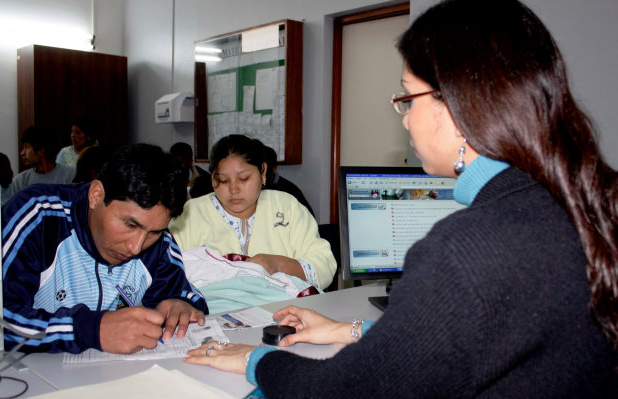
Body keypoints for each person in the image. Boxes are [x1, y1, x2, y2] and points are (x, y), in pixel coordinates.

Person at [183, 0, 618, 396]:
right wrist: (349, 331)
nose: (405, 119)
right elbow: (464, 346)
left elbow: (344, 391)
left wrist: (254, 360)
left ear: (459, 105)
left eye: (408, 98)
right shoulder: (582, 202)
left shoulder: (466, 250)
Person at [2, 143, 208, 354]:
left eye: (154, 232)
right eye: (130, 224)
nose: (136, 247)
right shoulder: (39, 217)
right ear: (96, 195)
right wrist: (89, 330)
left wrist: (180, 305)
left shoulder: (158, 238)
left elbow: (185, 296)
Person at [169, 134, 336, 313]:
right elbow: (164, 272)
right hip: (213, 317)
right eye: (223, 180)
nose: (234, 190)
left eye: (244, 179)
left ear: (263, 171)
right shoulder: (191, 214)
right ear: (212, 179)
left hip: (283, 314)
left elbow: (324, 265)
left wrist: (278, 264)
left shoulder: (286, 206)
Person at [11, 126, 75, 195]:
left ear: (41, 151)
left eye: (26, 147)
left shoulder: (69, 174)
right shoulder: (20, 181)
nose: (22, 153)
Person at [263, 145, 315, 217]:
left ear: (274, 168)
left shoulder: (290, 191)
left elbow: (309, 219)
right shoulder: (251, 188)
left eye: (264, 170)